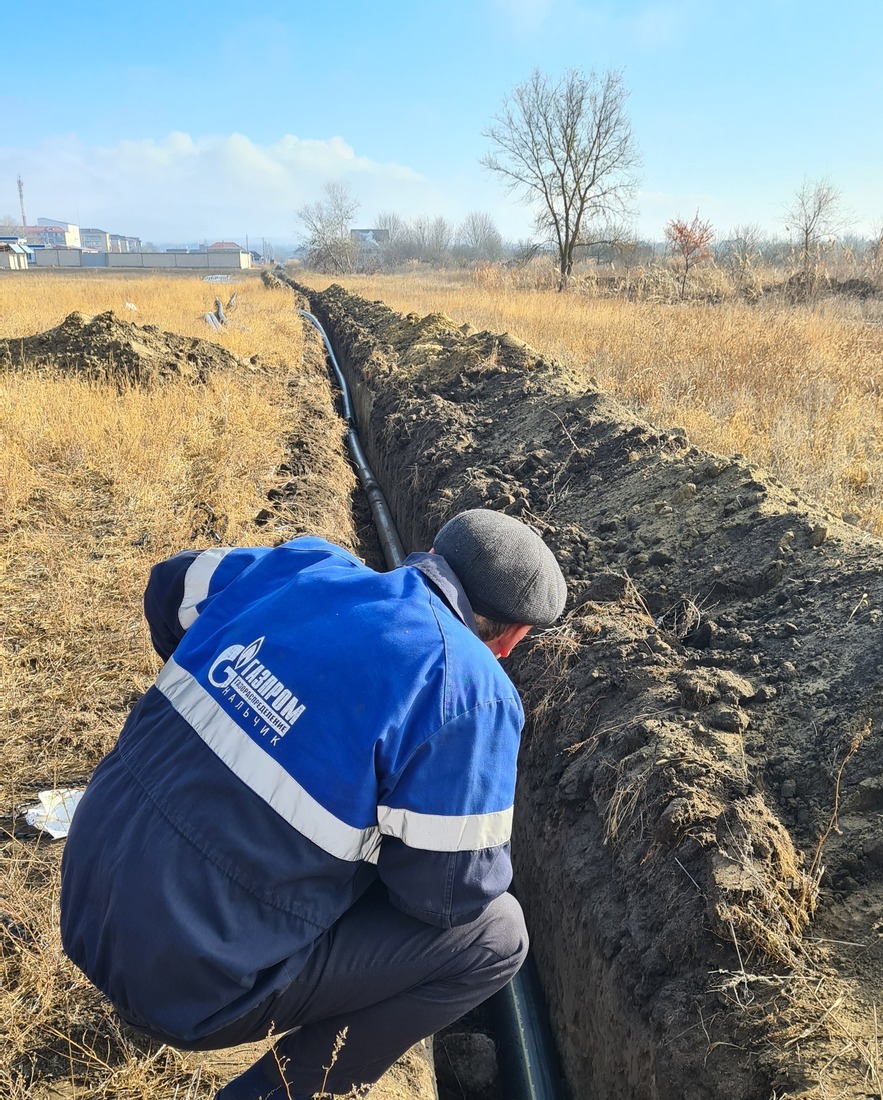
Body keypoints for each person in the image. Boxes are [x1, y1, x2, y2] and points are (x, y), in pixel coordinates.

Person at [60, 508, 567, 1099]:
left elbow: (168, 590)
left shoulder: (306, 564)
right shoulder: (471, 688)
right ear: (510, 637)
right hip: (194, 980)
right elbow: (445, 894)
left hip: (84, 893)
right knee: (498, 936)